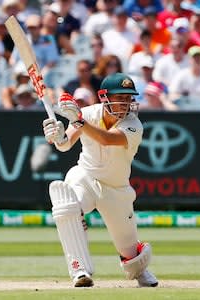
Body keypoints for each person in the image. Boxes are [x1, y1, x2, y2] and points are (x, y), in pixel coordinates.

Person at [42, 72, 158, 288]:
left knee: (132, 256)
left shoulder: (134, 125)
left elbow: (107, 139)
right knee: (67, 205)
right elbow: (66, 144)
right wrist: (58, 136)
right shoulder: (87, 114)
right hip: (85, 177)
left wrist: (78, 121)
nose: (125, 104)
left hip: (116, 190)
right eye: (120, 98)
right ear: (104, 97)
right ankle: (79, 270)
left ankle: (140, 270)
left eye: (128, 98)